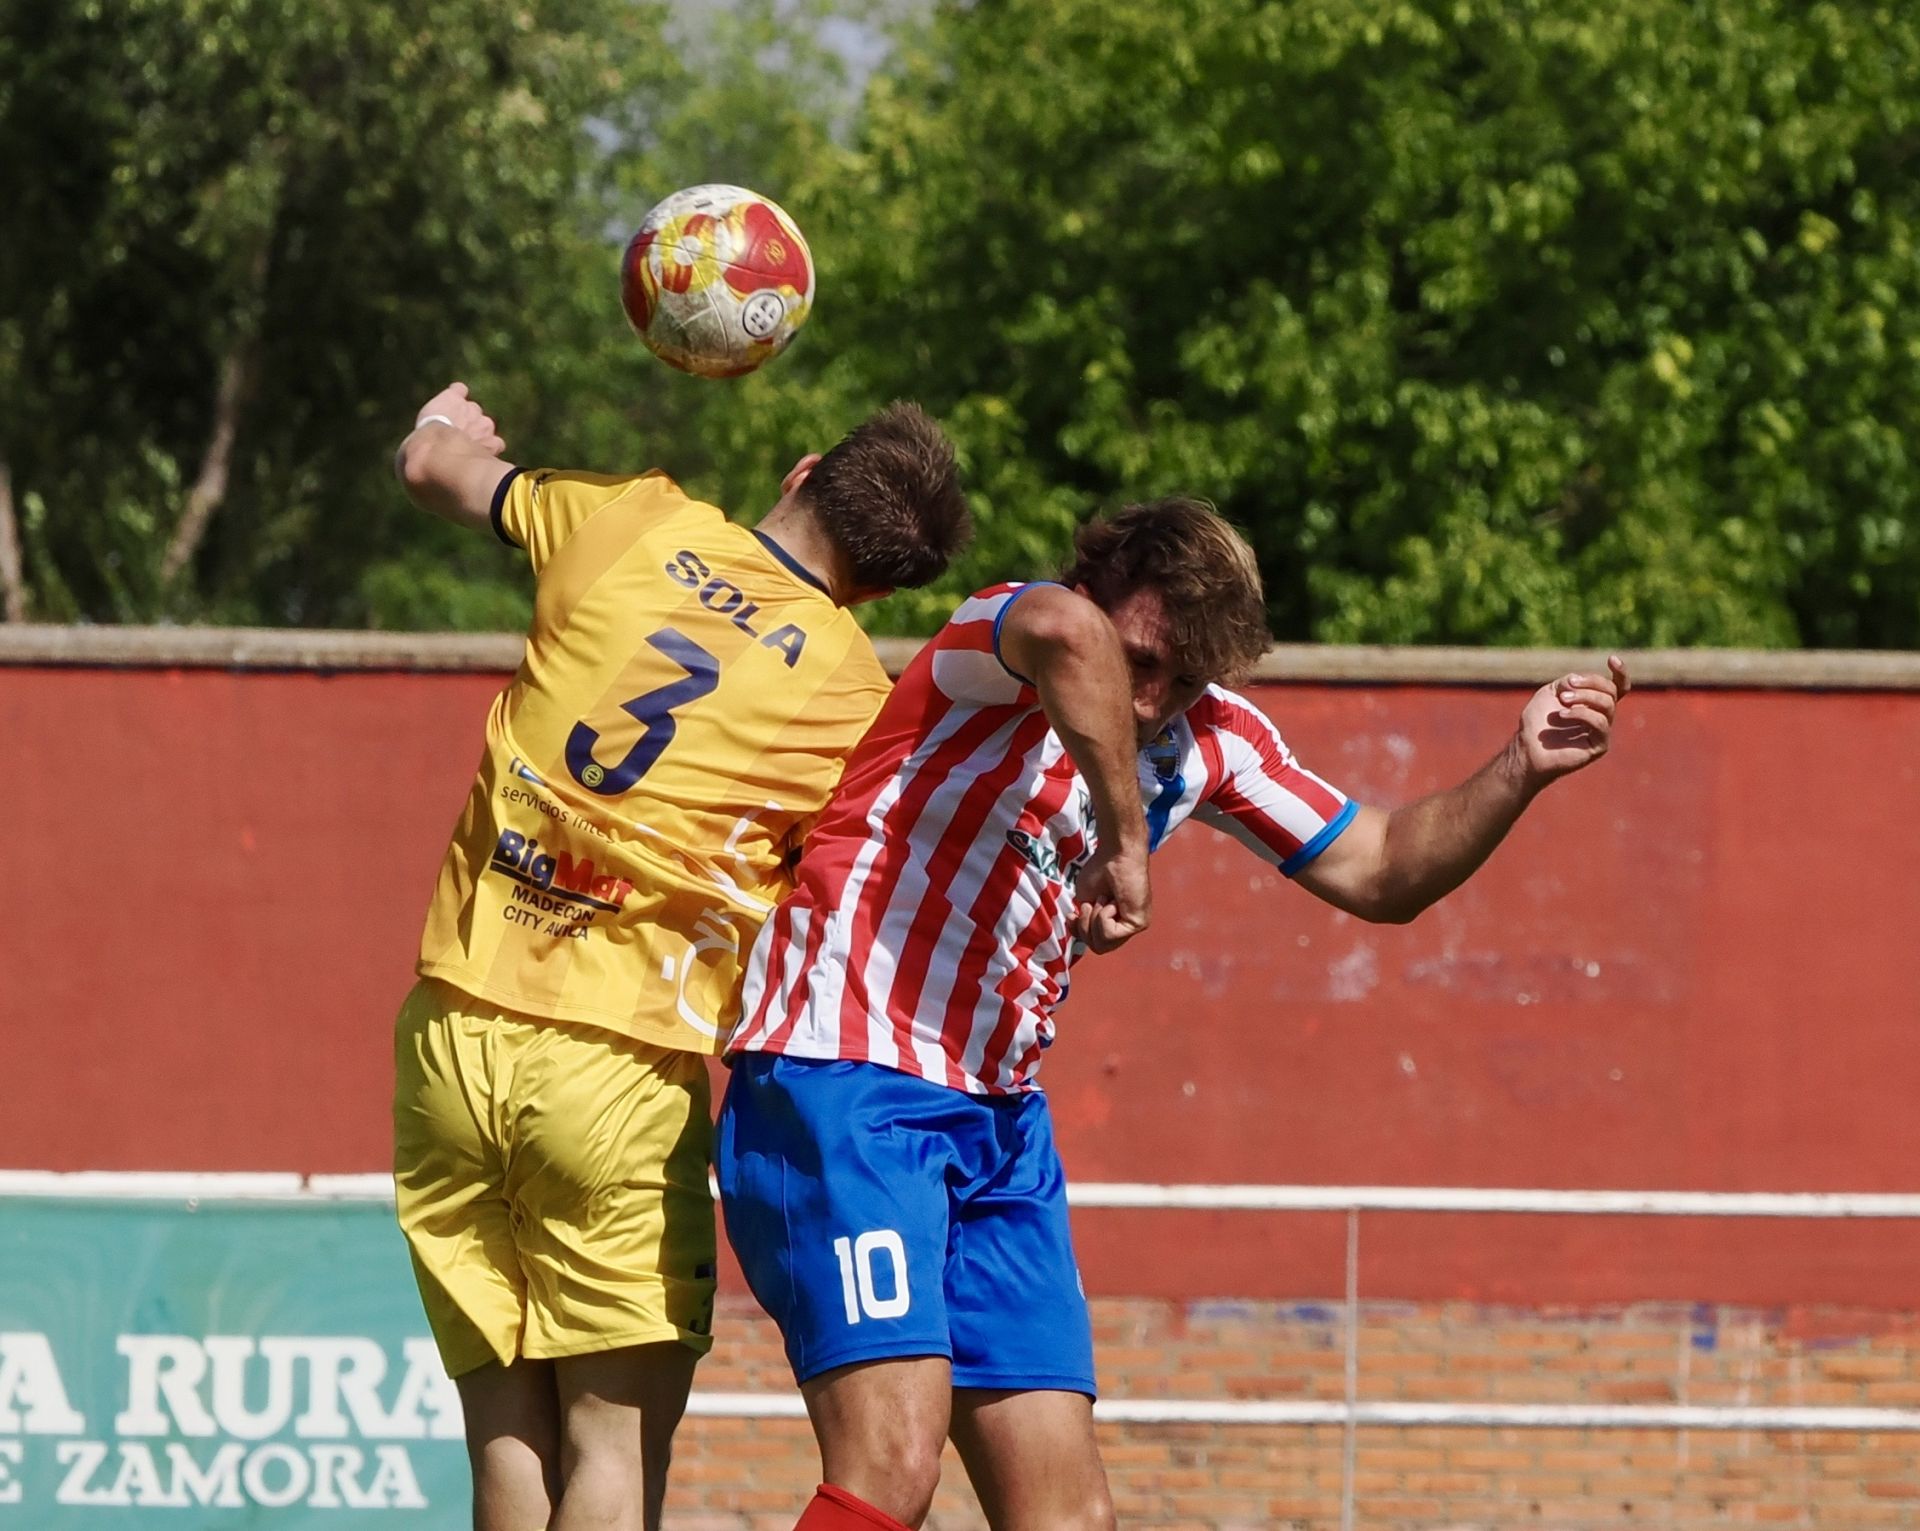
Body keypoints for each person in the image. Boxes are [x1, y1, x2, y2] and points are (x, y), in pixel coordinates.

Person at [717, 497, 1630, 1531]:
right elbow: (1065, 636)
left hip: (999, 1125)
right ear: (1091, 587)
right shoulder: (1001, 637)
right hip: (845, 1074)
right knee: (893, 1463)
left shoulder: (1214, 740)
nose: (1154, 704)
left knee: (1071, 1517)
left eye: (1186, 680)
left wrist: (1521, 767)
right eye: (1143, 661)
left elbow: (1382, 869)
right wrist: (1125, 831)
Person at [388, 381, 969, 1531]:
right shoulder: (857, 696)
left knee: (509, 1446)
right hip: (616, 1067)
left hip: (448, 1029)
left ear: (803, 469)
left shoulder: (638, 521)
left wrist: (445, 426)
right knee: (613, 1456)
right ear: (888, 585)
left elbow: (431, 472)